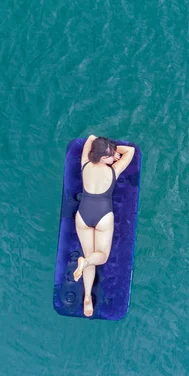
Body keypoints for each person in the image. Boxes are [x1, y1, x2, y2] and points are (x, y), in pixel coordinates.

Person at [73, 135, 135, 316]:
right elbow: (130, 151)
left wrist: (108, 151)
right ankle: (86, 262)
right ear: (101, 158)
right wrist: (116, 153)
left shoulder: (85, 162)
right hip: (103, 216)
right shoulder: (114, 170)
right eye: (109, 154)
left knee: (89, 252)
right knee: (101, 256)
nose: (114, 156)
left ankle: (87, 298)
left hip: (83, 215)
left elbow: (91, 137)